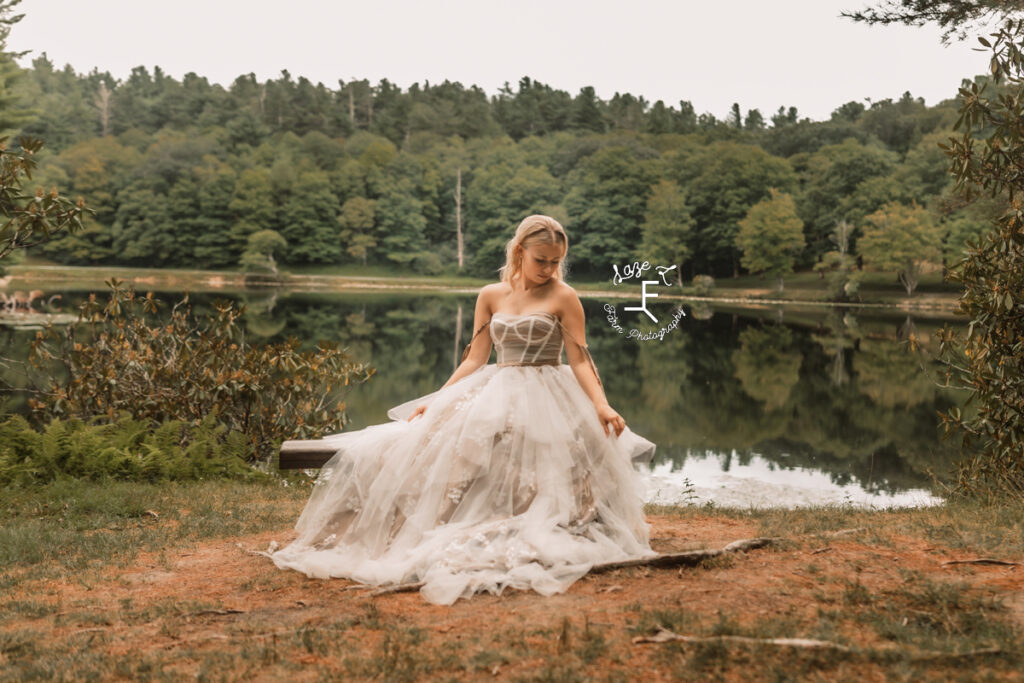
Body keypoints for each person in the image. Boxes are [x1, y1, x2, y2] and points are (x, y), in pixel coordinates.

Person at [269, 215, 656, 605]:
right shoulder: (491, 294)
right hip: (497, 385)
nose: (549, 269)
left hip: (550, 391)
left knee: (532, 450)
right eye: (542, 260)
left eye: (556, 261)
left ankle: (525, 520)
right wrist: (437, 399)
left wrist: (601, 405)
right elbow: (475, 359)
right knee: (437, 445)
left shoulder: (564, 296)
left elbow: (580, 360)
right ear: (520, 251)